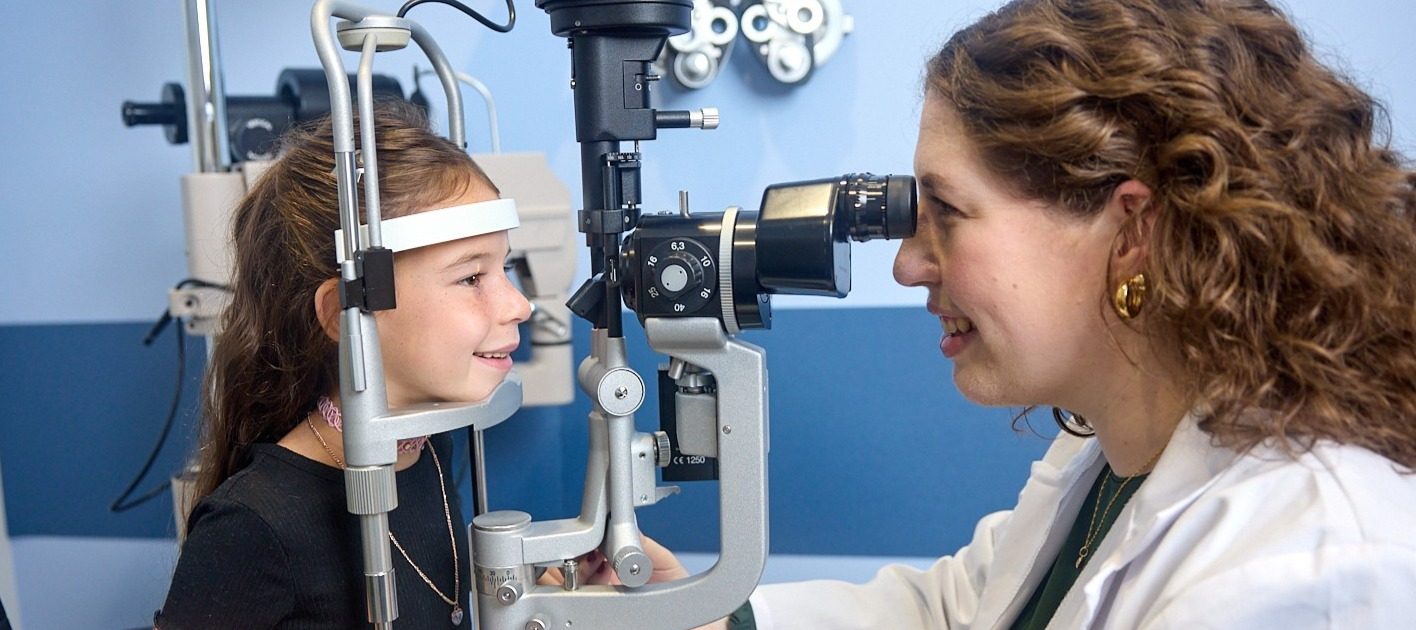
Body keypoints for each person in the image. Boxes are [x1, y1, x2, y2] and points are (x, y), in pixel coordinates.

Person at [687, 0, 1416, 628]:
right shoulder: (1117, 446)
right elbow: (965, 610)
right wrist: (708, 613)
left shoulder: (1306, 564)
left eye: (946, 211)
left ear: (1131, 232)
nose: (908, 265)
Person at [157, 100, 532, 628]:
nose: (519, 305)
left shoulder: (426, 447)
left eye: (505, 268)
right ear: (343, 312)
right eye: (471, 278)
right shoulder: (253, 525)